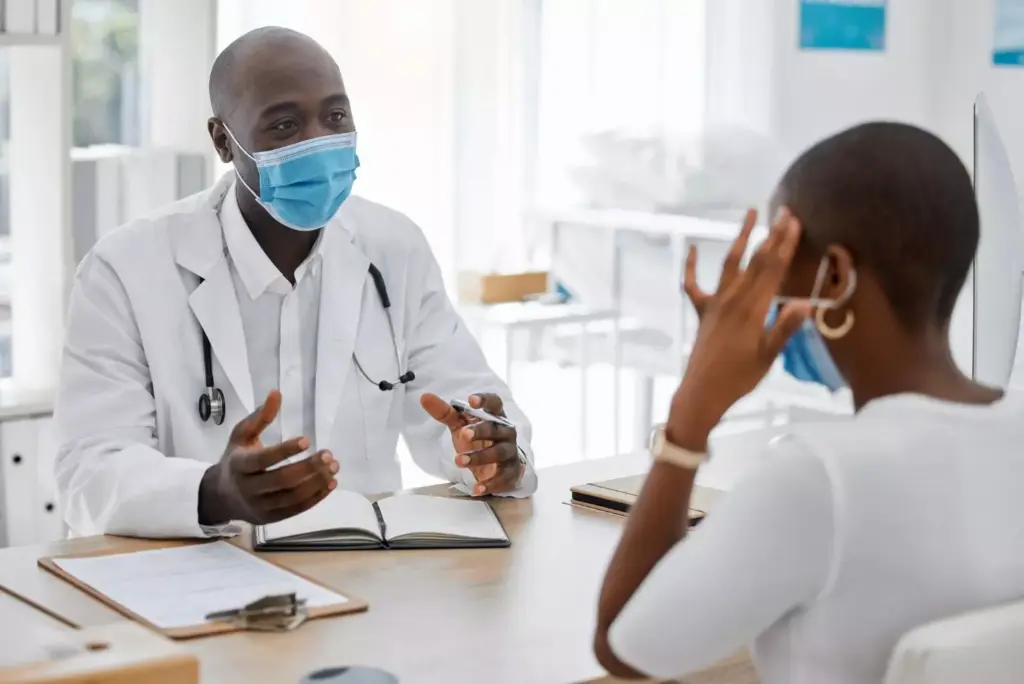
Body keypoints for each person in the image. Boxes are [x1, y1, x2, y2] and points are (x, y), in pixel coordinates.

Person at [53, 27, 536, 539]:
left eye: (335, 117)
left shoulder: (393, 247)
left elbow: (466, 404)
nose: (318, 142)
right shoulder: (126, 269)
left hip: (368, 575)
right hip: (196, 576)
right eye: (284, 125)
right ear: (223, 141)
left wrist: (489, 452)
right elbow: (88, 471)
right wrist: (213, 493)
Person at [593, 122, 1024, 684]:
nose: (766, 288)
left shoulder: (819, 476)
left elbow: (626, 648)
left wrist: (691, 411)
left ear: (837, 274)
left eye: (779, 254)